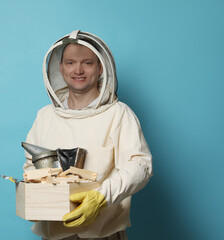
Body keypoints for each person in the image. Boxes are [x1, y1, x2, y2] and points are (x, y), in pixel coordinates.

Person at [23, 30, 153, 240]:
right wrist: (34, 197)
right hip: (54, 234)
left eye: (87, 63)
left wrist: (101, 198)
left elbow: (140, 166)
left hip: (104, 234)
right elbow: (31, 166)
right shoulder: (45, 116)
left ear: (100, 67)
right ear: (60, 68)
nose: (78, 70)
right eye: (70, 63)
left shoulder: (119, 114)